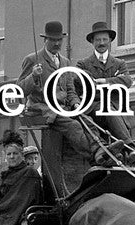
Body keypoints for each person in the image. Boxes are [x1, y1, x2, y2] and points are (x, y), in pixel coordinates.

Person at [17, 20, 96, 161]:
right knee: (74, 126)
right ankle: (95, 155)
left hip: (63, 108)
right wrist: (33, 76)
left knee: (88, 120)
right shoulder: (32, 59)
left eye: (59, 40)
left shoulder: (65, 62)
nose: (57, 43)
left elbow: (70, 89)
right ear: (45, 40)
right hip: (42, 108)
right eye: (53, 40)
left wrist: (76, 103)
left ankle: (102, 149)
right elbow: (20, 90)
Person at [75, 21, 135, 145]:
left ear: (110, 41)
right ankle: (129, 146)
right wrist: (115, 82)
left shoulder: (119, 63)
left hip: (118, 107)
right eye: (98, 40)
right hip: (94, 108)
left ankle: (125, 150)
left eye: (104, 39)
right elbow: (82, 84)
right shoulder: (83, 64)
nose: (101, 43)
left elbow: (127, 81)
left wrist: (104, 81)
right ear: (92, 42)